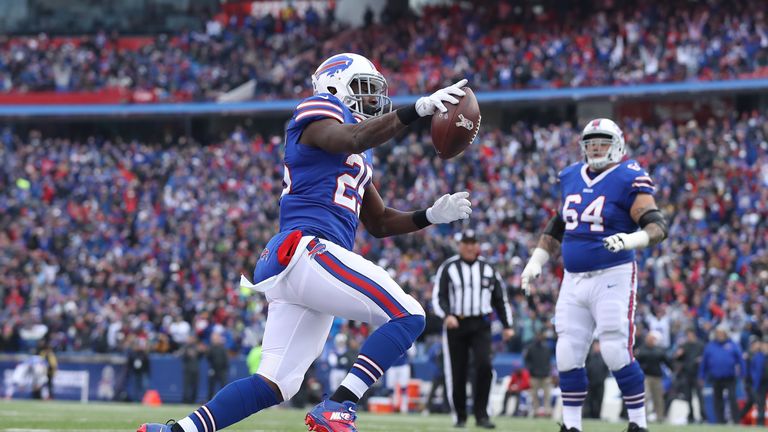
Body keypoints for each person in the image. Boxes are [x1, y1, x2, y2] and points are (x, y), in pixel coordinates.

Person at [138, 52, 472, 432]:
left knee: (275, 383)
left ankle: (180, 430)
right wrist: (419, 109)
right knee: (409, 314)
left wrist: (429, 215)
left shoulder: (355, 156)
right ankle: (341, 405)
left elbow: (378, 222)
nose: (370, 98)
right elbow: (355, 136)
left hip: (305, 265)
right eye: (363, 88)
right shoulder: (317, 111)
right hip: (308, 250)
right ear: (333, 85)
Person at [520, 118, 669, 432]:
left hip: (613, 274)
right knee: (567, 351)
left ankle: (638, 423)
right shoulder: (571, 176)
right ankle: (571, 425)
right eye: (590, 143)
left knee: (616, 350)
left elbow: (657, 227)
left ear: (617, 144)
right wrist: (537, 260)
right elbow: (559, 223)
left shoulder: (629, 176)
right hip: (573, 279)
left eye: (602, 142)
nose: (596, 148)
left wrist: (629, 240)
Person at [432, 229, 515, 429]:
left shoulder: (488, 268)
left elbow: (500, 299)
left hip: (481, 324)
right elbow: (438, 296)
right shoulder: (449, 267)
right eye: (466, 243)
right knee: (457, 371)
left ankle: (482, 415)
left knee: (484, 366)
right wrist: (447, 315)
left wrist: (507, 325)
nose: (469, 246)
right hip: (456, 323)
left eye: (473, 242)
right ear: (460, 245)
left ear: (477, 245)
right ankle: (460, 416)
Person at [699, 325, 743, 424]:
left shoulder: (732, 345)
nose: (720, 335)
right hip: (716, 377)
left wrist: (742, 373)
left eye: (722, 333)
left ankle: (736, 421)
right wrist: (701, 376)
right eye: (718, 333)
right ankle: (720, 421)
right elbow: (704, 363)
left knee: (732, 398)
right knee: (717, 400)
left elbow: (740, 360)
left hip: (730, 377)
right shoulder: (710, 346)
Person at [635, 331, 670, 422]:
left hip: (657, 377)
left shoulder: (659, 350)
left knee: (658, 398)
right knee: (645, 396)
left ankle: (660, 417)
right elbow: (637, 360)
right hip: (645, 376)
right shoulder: (642, 349)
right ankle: (643, 417)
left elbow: (667, 361)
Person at [674, 328, 705, 423]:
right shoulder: (684, 345)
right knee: (688, 396)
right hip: (686, 374)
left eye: (691, 334)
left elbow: (706, 357)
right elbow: (677, 359)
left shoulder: (700, 345)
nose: (689, 336)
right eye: (688, 335)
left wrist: (701, 360)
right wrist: (678, 355)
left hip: (697, 374)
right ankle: (690, 416)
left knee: (700, 396)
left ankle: (703, 416)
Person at [525, 330, 553, 418]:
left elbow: (549, 361)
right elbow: (527, 360)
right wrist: (531, 370)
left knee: (547, 395)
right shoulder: (531, 348)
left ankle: (548, 411)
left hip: (545, 375)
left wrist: (548, 370)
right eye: (538, 336)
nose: (539, 337)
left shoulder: (547, 348)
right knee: (534, 395)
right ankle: (536, 411)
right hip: (534, 375)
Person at [584, 341, 609, 419]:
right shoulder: (589, 356)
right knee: (588, 400)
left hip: (600, 382)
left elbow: (606, 369)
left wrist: (603, 378)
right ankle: (587, 415)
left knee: (599, 400)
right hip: (590, 382)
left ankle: (597, 416)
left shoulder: (604, 356)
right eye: (596, 345)